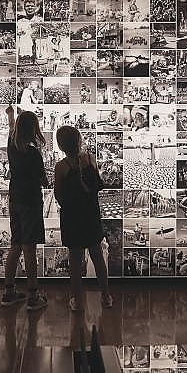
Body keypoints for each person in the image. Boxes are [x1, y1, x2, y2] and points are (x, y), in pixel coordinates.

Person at [53, 125, 112, 311]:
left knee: (75, 261)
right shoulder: (90, 159)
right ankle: (106, 296)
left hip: (72, 217)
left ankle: (76, 301)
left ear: (61, 146)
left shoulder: (61, 167)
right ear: (79, 141)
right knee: (97, 256)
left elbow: (58, 195)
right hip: (91, 214)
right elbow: (97, 184)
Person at [1, 106, 49, 311]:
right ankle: (33, 296)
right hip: (30, 202)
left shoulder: (12, 146)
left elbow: (12, 129)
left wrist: (10, 116)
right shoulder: (33, 154)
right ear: (34, 131)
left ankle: (9, 293)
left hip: (15, 200)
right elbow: (43, 180)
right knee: (30, 248)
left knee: (16, 245)